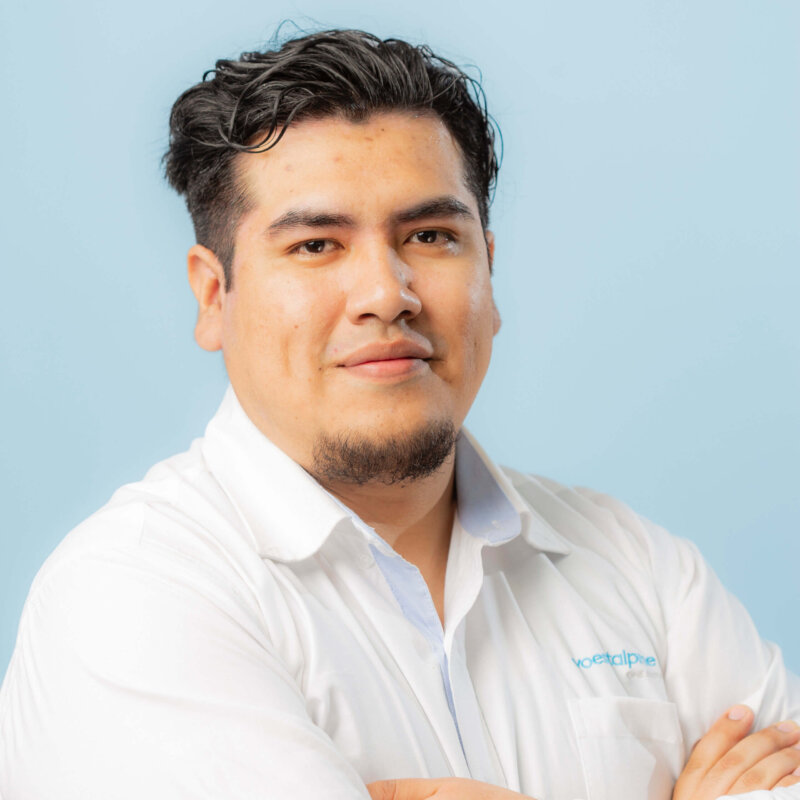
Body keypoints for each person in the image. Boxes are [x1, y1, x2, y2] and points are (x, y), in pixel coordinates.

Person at [0, 28, 798, 800]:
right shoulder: (133, 592)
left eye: (430, 235)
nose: (387, 294)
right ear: (214, 295)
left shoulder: (640, 568)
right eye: (316, 245)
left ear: (489, 271)